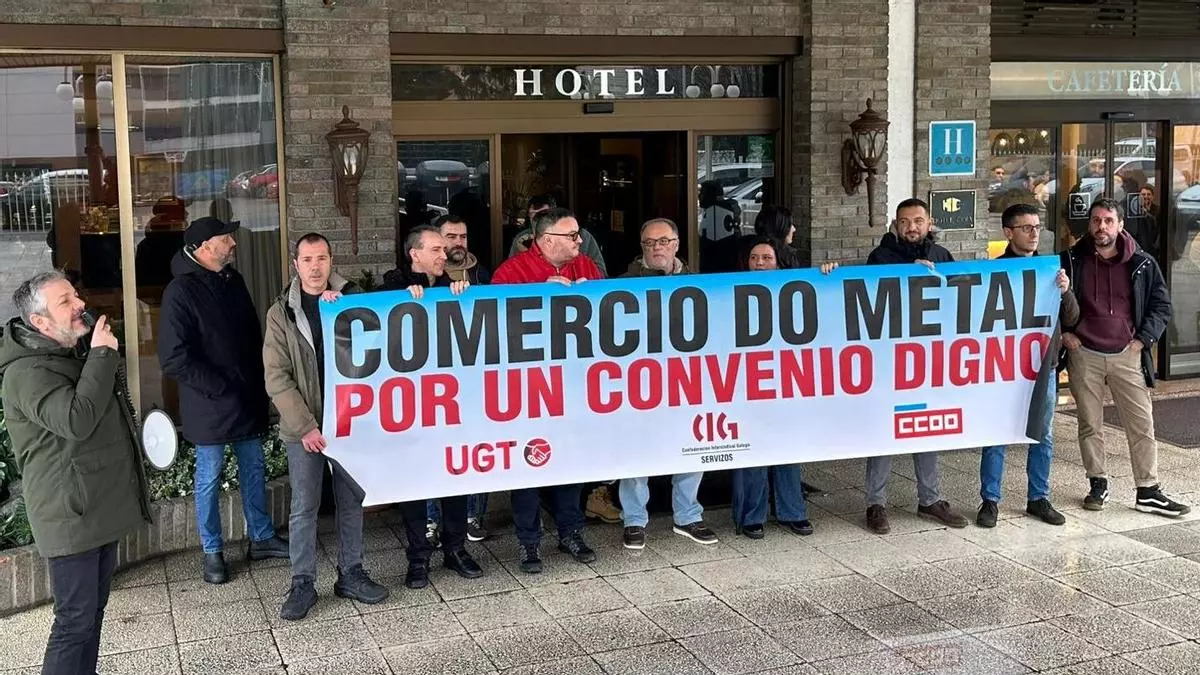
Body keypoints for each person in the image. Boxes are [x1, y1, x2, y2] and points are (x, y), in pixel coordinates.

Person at [0, 272, 151, 675]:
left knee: (92, 612)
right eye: (65, 301)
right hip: (68, 512)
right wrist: (101, 356)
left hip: (91, 505)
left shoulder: (66, 353)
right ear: (40, 322)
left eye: (75, 295)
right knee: (74, 621)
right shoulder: (26, 373)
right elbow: (76, 419)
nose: (79, 303)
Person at [263, 233, 389, 621]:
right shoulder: (281, 312)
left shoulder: (353, 301)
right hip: (304, 427)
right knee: (304, 506)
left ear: (332, 261)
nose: (315, 267)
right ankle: (302, 582)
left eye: (321, 258)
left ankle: (351, 573)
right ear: (295, 265)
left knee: (351, 501)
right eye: (307, 260)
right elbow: (276, 377)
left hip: (349, 422)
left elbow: (382, 352)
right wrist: (305, 427)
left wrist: (348, 313)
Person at [158, 216, 289, 585]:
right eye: (225, 238)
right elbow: (173, 357)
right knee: (209, 477)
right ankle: (212, 551)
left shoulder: (234, 279)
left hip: (246, 395)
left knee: (254, 468)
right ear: (204, 247)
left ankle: (261, 537)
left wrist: (259, 377)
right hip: (210, 402)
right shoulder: (179, 291)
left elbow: (251, 334)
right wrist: (219, 386)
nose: (233, 243)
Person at [1061, 198, 1189, 517]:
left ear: (1120, 225)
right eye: (1096, 220)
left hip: (1127, 355)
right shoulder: (1071, 260)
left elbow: (1161, 305)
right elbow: (1049, 301)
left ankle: (1148, 490)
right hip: (1084, 353)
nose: (1101, 226)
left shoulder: (1142, 262)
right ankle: (1098, 484)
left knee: (1141, 424)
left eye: (1108, 220)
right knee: (1090, 424)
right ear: (1089, 224)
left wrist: (1143, 340)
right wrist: (1064, 334)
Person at [492, 207, 602, 572]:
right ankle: (528, 543)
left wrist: (594, 296)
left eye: (578, 233)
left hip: (573, 384)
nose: (579, 241)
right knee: (528, 464)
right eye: (572, 235)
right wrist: (538, 294)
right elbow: (493, 326)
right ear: (547, 240)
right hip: (528, 388)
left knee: (571, 461)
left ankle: (571, 531)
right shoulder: (511, 273)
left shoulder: (586, 266)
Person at [860, 199, 968, 533]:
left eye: (918, 221)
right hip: (890, 358)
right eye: (905, 221)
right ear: (896, 224)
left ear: (929, 222)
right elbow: (867, 301)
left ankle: (930, 500)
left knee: (926, 426)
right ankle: (875, 504)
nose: (911, 227)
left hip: (928, 358)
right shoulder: (880, 257)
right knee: (884, 430)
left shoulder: (942, 256)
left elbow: (958, 299)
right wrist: (908, 275)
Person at [381, 226, 481, 588]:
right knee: (414, 483)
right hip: (413, 407)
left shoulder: (454, 285)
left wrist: (463, 298)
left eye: (444, 248)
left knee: (455, 478)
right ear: (415, 254)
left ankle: (455, 548)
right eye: (436, 249)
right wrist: (401, 300)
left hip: (450, 405)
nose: (444, 254)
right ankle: (418, 557)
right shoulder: (392, 287)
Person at [976, 204, 1079, 528]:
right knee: (996, 433)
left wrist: (1066, 292)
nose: (1035, 233)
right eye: (1026, 228)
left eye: (1037, 226)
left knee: (1042, 434)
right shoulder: (995, 271)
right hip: (1003, 367)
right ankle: (990, 500)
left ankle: (1038, 498)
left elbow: (1072, 317)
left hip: (1042, 367)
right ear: (1008, 233)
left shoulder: (1051, 272)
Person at [618, 218, 717, 549]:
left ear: (676, 244)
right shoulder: (621, 286)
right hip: (639, 381)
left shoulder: (700, 285)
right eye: (649, 242)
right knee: (635, 449)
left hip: (685, 380)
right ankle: (634, 519)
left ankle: (687, 516)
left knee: (690, 443)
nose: (656, 247)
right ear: (641, 247)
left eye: (663, 241)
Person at [728, 237, 814, 539]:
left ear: (778, 262)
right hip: (746, 381)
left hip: (785, 379)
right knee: (752, 449)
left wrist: (829, 272)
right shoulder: (732, 290)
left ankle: (793, 511)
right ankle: (752, 515)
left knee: (787, 447)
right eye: (754, 258)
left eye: (766, 257)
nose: (760, 263)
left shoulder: (794, 289)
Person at [427, 214, 492, 545]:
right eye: (450, 237)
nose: (457, 243)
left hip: (475, 375)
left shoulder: (482, 273)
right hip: (436, 376)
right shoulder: (426, 276)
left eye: (462, 237)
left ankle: (472, 515)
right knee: (433, 448)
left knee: (476, 445)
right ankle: (431, 519)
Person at [508, 195, 608, 277]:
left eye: (543, 214)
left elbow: (601, 276)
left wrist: (585, 286)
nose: (537, 219)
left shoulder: (584, 239)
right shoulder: (521, 240)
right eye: (532, 215)